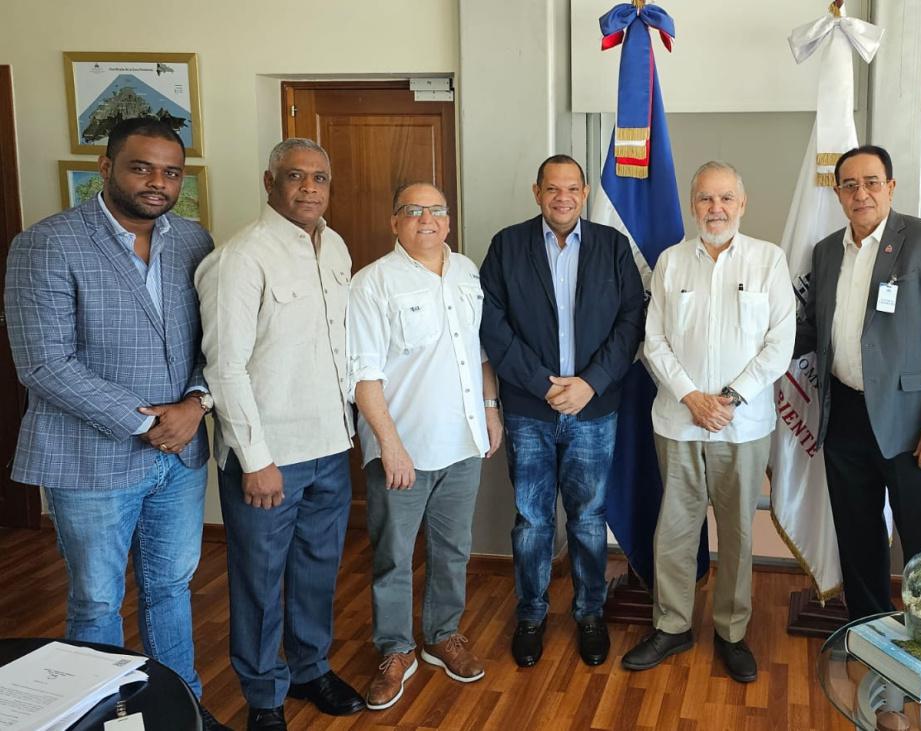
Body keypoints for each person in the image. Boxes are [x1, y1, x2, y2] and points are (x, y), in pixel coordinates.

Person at [4, 117, 228, 731]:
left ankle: (183, 709)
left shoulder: (193, 240)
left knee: (171, 587)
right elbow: (43, 363)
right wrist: (144, 422)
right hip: (90, 457)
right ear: (105, 168)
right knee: (98, 599)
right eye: (141, 167)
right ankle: (102, 719)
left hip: (180, 454)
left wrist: (196, 403)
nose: (158, 182)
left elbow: (213, 341)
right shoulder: (47, 244)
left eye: (171, 172)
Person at [196, 138, 363, 730]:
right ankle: (264, 696)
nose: (310, 187)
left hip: (330, 444)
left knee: (317, 571)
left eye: (320, 177)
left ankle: (311, 668)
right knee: (260, 582)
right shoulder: (241, 258)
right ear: (270, 182)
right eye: (295, 176)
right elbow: (225, 368)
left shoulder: (335, 246)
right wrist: (255, 459)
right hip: (270, 456)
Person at [623, 161, 796, 683]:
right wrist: (692, 398)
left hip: (744, 427)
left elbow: (780, 343)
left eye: (725, 198)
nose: (715, 208)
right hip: (678, 422)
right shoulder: (671, 262)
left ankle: (732, 632)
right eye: (705, 199)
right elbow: (654, 340)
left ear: (742, 204)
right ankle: (672, 625)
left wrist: (730, 398)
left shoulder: (769, 260)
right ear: (692, 204)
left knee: (738, 532)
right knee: (674, 529)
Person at [793, 144, 921, 620]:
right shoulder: (827, 251)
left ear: (890, 187)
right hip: (844, 414)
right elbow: (815, 329)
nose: (861, 194)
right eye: (849, 185)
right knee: (857, 534)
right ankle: (868, 627)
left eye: (872, 182)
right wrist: (752, 342)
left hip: (911, 422)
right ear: (837, 193)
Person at [478, 154, 644, 668]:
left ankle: (589, 613)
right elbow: (492, 324)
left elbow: (631, 321)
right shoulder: (507, 246)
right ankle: (531, 615)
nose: (563, 197)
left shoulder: (613, 247)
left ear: (585, 193)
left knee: (589, 519)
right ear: (537, 193)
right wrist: (543, 385)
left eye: (572, 188)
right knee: (532, 520)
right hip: (530, 410)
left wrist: (590, 384)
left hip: (594, 409)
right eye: (553, 188)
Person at [347, 182, 503, 709]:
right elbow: (364, 375)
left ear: (448, 220)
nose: (426, 219)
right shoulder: (372, 283)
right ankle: (395, 650)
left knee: (453, 549)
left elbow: (478, 350)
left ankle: (442, 634)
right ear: (395, 222)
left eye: (436, 210)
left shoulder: (467, 272)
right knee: (393, 555)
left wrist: (490, 409)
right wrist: (389, 445)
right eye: (413, 211)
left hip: (462, 441)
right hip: (403, 448)